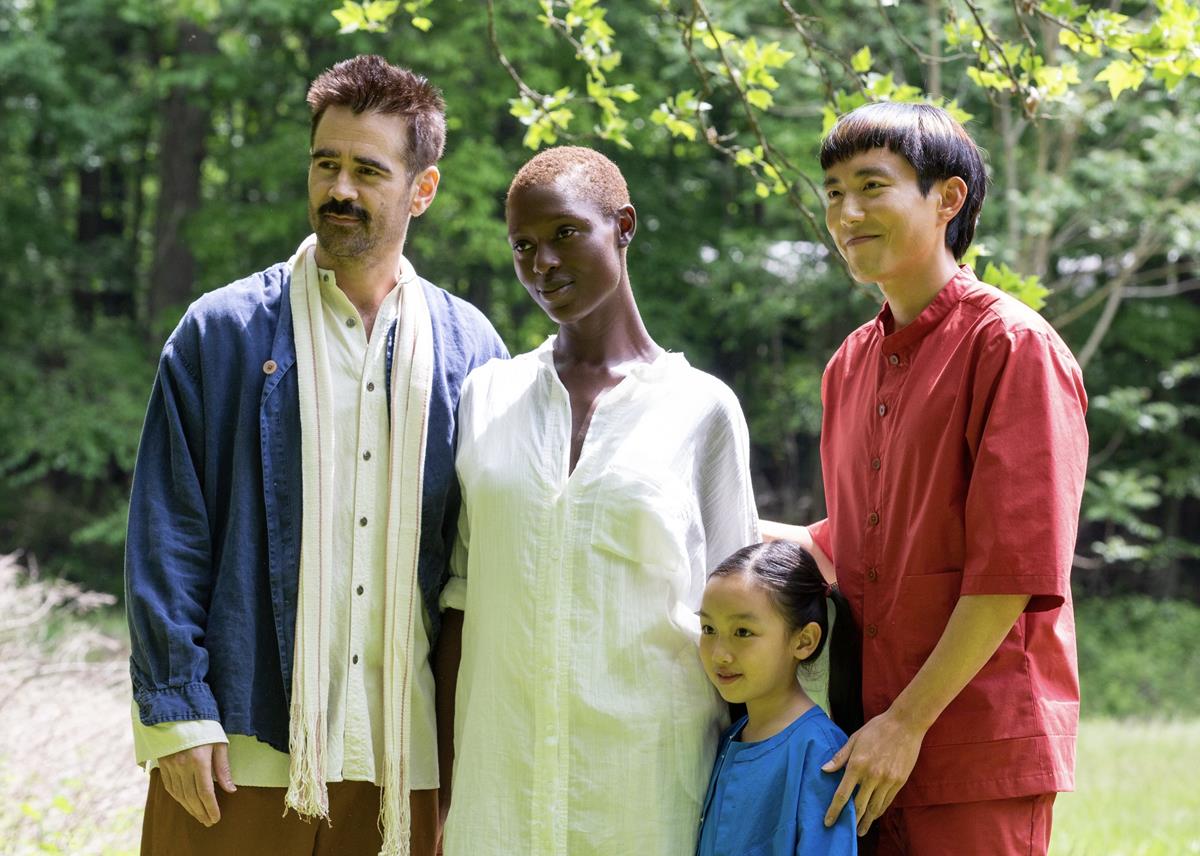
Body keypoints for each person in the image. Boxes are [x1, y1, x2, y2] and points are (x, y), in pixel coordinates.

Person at [124, 55, 506, 856]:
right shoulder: (220, 332)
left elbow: (488, 559)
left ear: (422, 189)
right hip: (239, 752)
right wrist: (177, 714)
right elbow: (167, 535)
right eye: (326, 164)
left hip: (406, 765)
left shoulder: (472, 350)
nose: (340, 189)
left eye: (369, 170)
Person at [764, 101, 1087, 855]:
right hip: (859, 748)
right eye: (833, 191)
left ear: (948, 199)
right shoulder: (848, 365)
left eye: (872, 186)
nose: (846, 212)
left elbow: (1011, 570)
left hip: (972, 751)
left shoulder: (1012, 346)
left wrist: (905, 724)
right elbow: (852, 546)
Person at [435, 146, 759, 855]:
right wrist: (445, 789)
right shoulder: (485, 398)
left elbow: (744, 618)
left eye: (563, 234)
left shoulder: (701, 410)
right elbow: (460, 604)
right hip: (500, 798)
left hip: (646, 793)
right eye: (523, 245)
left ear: (624, 226)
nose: (541, 262)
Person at [695, 541, 861, 856]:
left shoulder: (820, 752)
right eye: (708, 628)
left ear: (804, 641)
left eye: (742, 632)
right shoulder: (731, 734)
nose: (719, 654)